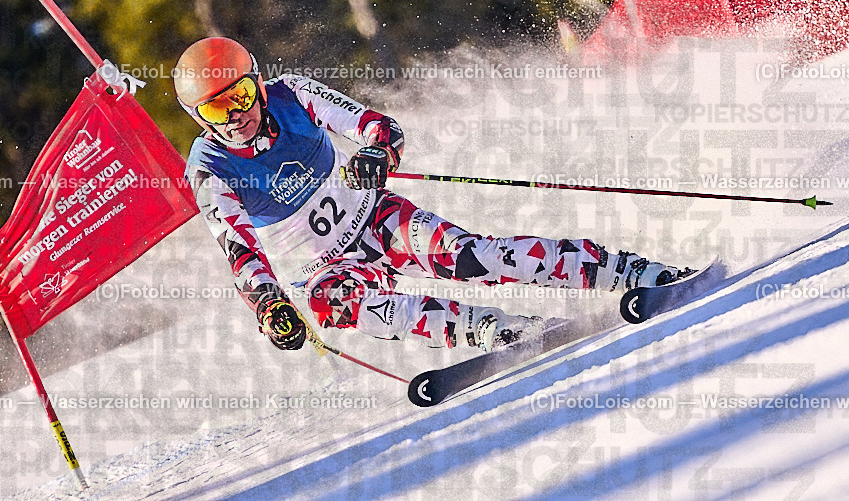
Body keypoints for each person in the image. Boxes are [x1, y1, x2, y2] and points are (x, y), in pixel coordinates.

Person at [176, 37, 691, 354]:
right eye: (216, 111)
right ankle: (494, 331)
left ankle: (625, 270)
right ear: (198, 119)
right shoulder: (209, 170)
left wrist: (378, 153)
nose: (236, 115)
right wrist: (268, 304)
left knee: (471, 257)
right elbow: (240, 251)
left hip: (376, 220)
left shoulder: (293, 95)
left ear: (259, 84)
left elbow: (378, 125)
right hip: (320, 268)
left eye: (241, 96)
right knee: (332, 305)